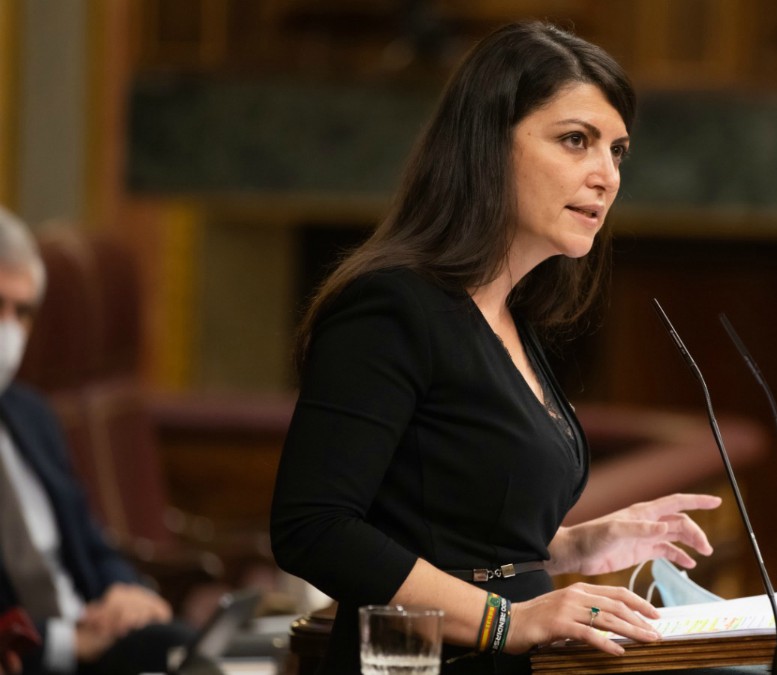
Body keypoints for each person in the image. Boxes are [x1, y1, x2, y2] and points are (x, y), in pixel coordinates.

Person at [270, 20, 723, 675]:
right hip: (417, 663)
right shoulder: (392, 307)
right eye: (576, 141)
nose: (606, 175)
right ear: (487, 146)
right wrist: (506, 619)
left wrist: (574, 546)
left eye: (617, 151)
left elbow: (445, 525)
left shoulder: (509, 315)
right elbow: (314, 527)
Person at [0, 207, 194, 674]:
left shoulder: (30, 414)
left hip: (96, 642)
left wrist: (128, 594)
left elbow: (93, 545)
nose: (8, 329)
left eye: (22, 312)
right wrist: (66, 644)